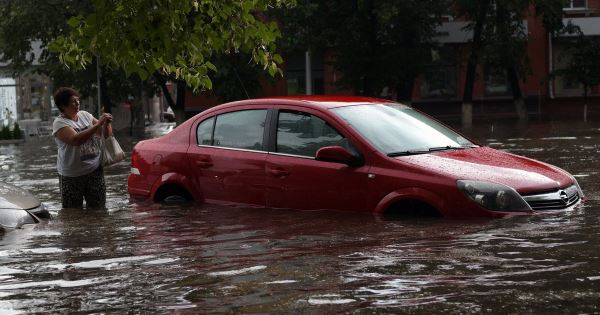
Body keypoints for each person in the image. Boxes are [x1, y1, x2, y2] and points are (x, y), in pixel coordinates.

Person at [52, 87, 113, 208]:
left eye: (78, 100)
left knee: (99, 209)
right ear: (63, 106)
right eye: (73, 101)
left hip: (94, 170)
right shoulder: (59, 123)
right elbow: (75, 140)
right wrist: (99, 124)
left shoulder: (85, 115)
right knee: (72, 213)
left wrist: (106, 123)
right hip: (71, 176)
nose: (77, 103)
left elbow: (106, 135)